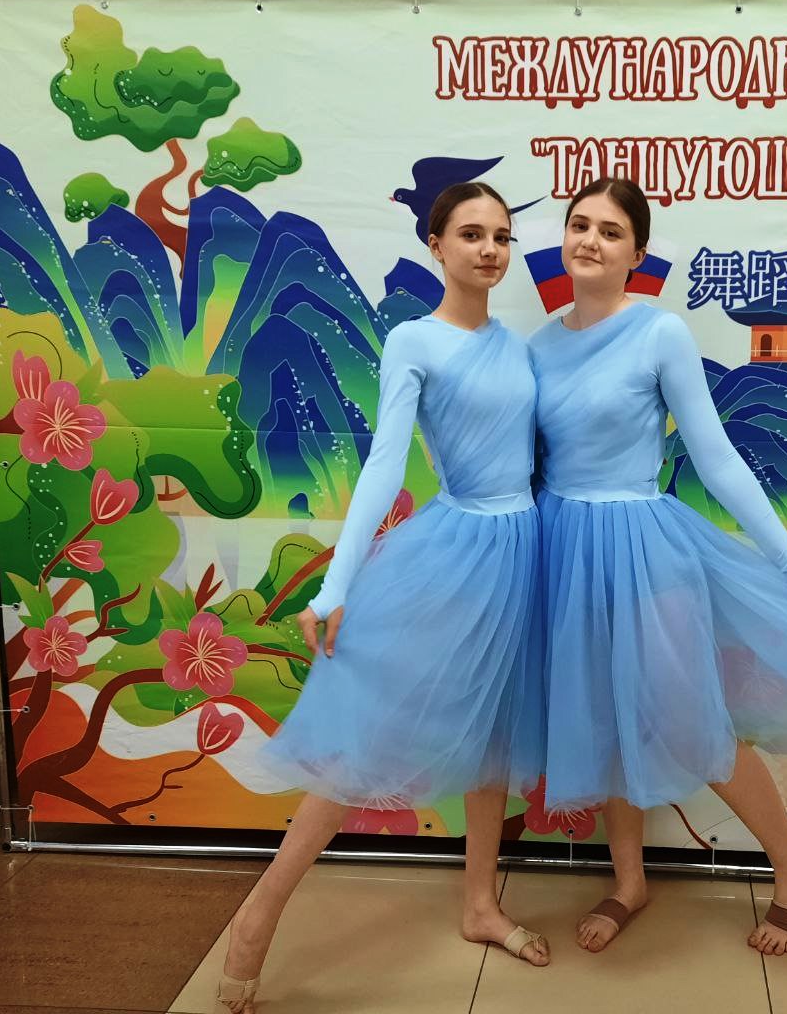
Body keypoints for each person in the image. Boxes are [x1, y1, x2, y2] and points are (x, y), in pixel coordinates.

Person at [218, 182, 548, 1013]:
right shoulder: (414, 340)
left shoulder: (518, 347)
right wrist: (337, 584)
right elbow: (383, 463)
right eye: (470, 234)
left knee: (494, 732)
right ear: (436, 245)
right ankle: (258, 917)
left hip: (526, 549)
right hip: (458, 551)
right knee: (370, 729)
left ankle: (480, 905)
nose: (489, 249)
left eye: (500, 236)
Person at [530, 177, 787, 958]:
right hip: (562, 548)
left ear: (637, 253)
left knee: (691, 722)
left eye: (610, 231)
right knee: (601, 716)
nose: (589, 240)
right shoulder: (539, 346)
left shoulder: (660, 333)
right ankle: (628, 881)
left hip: (641, 547)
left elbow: (717, 460)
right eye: (579, 225)